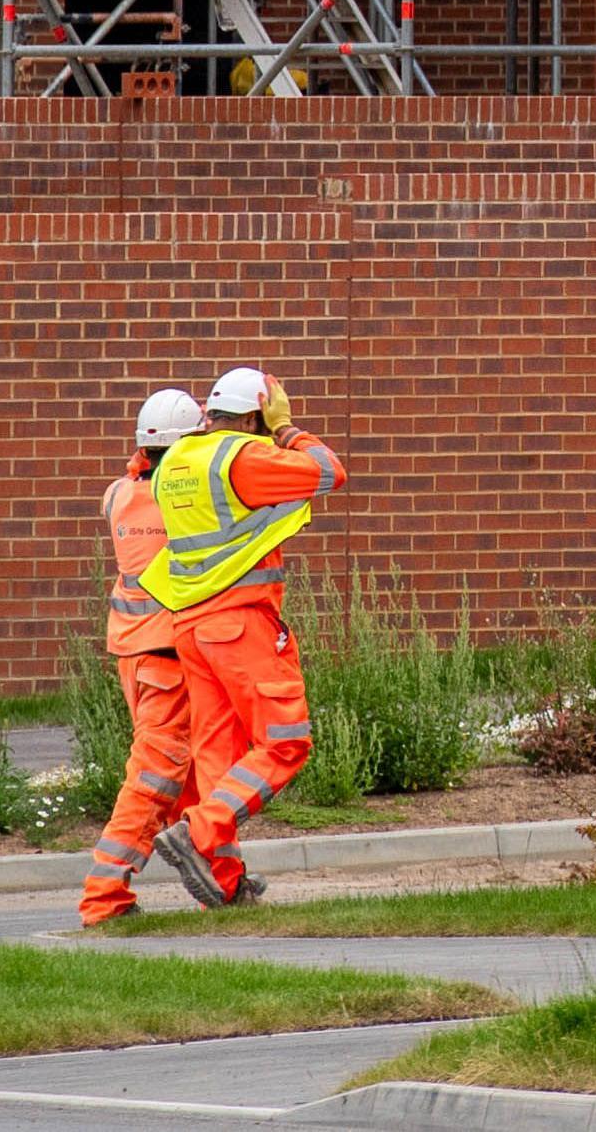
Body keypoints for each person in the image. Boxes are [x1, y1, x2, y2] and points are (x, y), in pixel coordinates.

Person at [146, 362, 343, 902]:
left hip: (192, 627)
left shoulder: (178, 460)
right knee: (285, 742)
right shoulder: (246, 454)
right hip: (239, 624)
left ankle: (224, 881)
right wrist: (287, 429)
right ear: (254, 415)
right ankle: (200, 832)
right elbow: (329, 471)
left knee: (218, 759)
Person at [74, 387, 238, 923]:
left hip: (134, 654)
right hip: (168, 655)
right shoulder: (184, 499)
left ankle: (222, 881)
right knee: (155, 777)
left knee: (195, 780)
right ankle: (105, 896)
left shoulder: (120, 493)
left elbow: (133, 481)